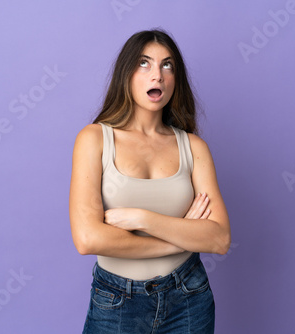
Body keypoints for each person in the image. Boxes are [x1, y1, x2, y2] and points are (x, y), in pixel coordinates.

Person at [69, 28, 231, 334]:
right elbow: (88, 239)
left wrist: (140, 218)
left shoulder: (193, 148)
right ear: (126, 74)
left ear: (175, 79)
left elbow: (219, 239)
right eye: (144, 63)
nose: (157, 74)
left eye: (167, 65)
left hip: (189, 298)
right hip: (116, 301)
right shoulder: (94, 139)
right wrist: (181, 236)